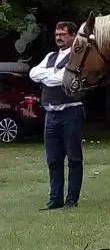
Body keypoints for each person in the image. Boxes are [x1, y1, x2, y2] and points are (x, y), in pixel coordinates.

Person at [29, 21, 84, 210]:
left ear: (73, 36)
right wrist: (51, 74)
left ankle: (71, 200)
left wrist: (49, 75)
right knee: (53, 159)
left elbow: (61, 79)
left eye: (63, 34)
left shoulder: (77, 57)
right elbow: (33, 73)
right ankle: (55, 199)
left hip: (71, 111)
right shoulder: (51, 56)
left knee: (74, 158)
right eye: (57, 34)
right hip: (51, 114)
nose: (59, 37)